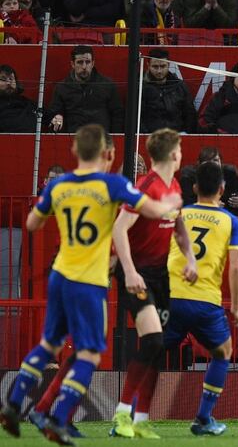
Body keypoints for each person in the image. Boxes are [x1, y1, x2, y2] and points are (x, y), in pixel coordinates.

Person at [0, 124, 182, 446]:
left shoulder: (60, 185)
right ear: (109, 155)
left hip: (60, 275)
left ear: (74, 152)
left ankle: (15, 404)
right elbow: (149, 210)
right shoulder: (114, 184)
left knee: (49, 345)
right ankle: (59, 417)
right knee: (90, 354)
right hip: (91, 280)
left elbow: (31, 223)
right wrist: (169, 207)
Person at [110, 128, 198, 439]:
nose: (182, 154)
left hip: (159, 274)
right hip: (138, 272)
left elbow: (179, 225)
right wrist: (130, 272)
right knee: (152, 340)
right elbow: (119, 230)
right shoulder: (145, 188)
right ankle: (122, 416)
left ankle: (142, 419)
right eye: (181, 149)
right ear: (173, 154)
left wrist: (190, 258)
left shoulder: (173, 185)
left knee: (158, 346)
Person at [162, 161, 238, 435]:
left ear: (195, 187)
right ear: (222, 189)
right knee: (223, 353)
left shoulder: (179, 213)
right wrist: (234, 306)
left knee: (151, 353)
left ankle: (128, 413)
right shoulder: (231, 221)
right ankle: (203, 417)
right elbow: (235, 266)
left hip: (173, 297)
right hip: (206, 301)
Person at [49, 45, 124, 134]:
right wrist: (57, 116)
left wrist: (114, 139)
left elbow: (118, 115)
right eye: (80, 62)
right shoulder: (62, 88)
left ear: (92, 64)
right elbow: (53, 114)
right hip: (73, 139)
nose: (84, 66)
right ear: (73, 64)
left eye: (87, 62)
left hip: (101, 140)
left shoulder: (107, 85)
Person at [179, 147, 238, 217]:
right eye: (208, 161)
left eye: (215, 160)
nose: (212, 164)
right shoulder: (190, 178)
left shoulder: (230, 175)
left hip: (227, 216)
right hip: (200, 217)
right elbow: (186, 203)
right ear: (199, 164)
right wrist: (210, 206)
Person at [140, 49, 197, 134]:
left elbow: (190, 115)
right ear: (148, 65)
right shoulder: (140, 88)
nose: (159, 71)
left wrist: (185, 134)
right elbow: (135, 118)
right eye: (155, 66)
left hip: (177, 137)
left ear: (169, 65)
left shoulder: (180, 87)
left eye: (163, 66)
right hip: (150, 139)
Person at [0, 64, 38, 133]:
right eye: (3, 79)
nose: (9, 83)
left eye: (11, 79)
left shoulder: (26, 102)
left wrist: (57, 117)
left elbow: (47, 114)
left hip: (28, 141)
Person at [172, 0, 238, 29]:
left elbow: (230, 24)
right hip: (193, 39)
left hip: (224, 41)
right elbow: (189, 24)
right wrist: (206, 7)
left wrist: (215, 6)